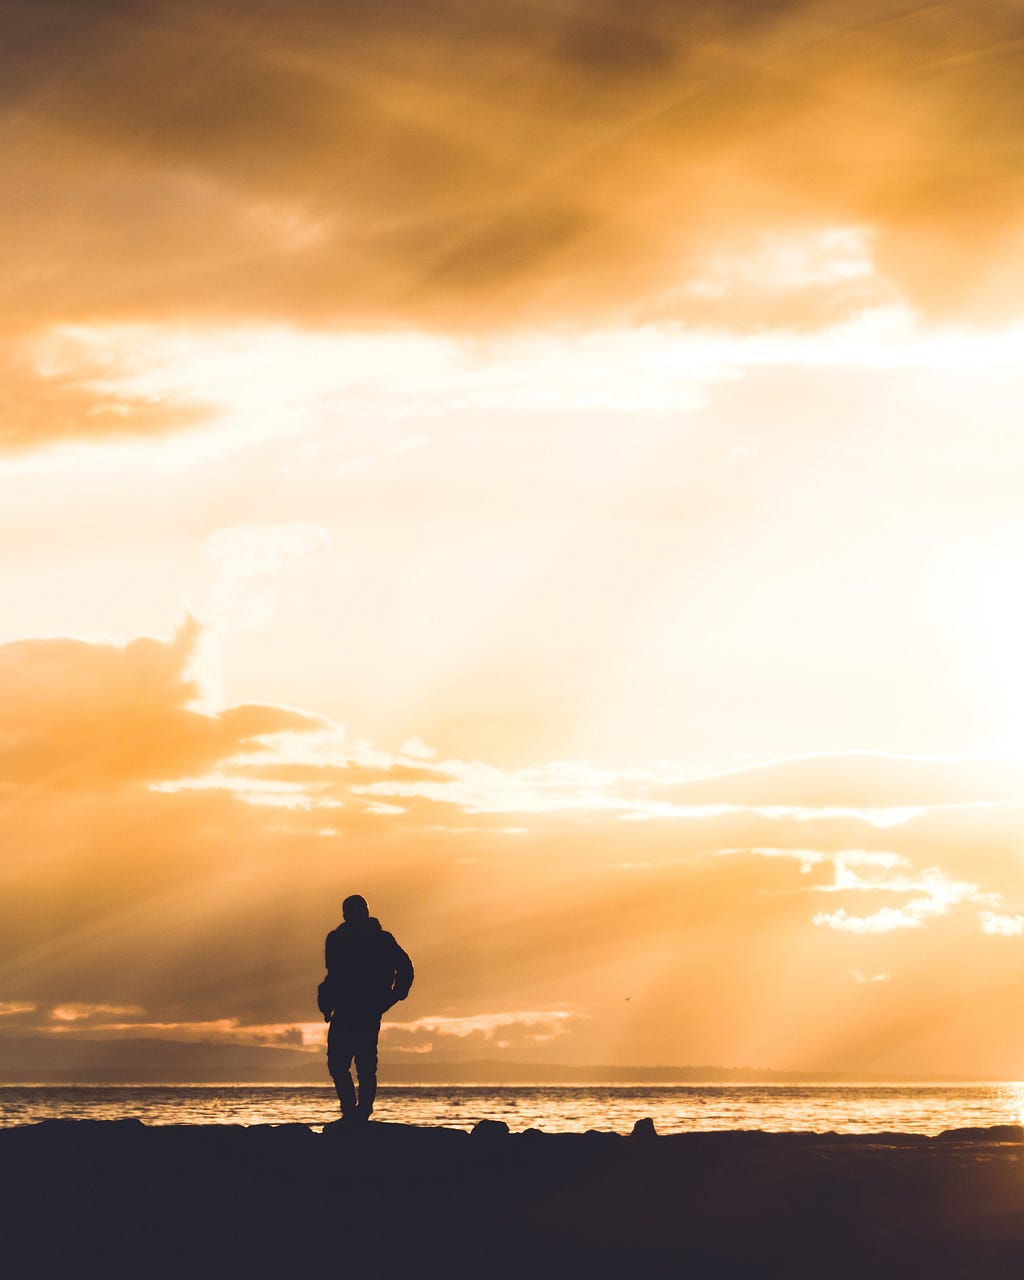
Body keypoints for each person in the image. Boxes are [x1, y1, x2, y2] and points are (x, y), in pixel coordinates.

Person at [320, 894, 414, 1122]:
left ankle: (361, 1113)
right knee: (338, 1063)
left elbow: (405, 969)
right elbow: (334, 976)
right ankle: (351, 1110)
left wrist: (394, 996)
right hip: (345, 1009)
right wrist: (326, 1004)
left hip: (368, 1010)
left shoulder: (382, 939)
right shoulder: (337, 939)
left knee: (364, 1065)